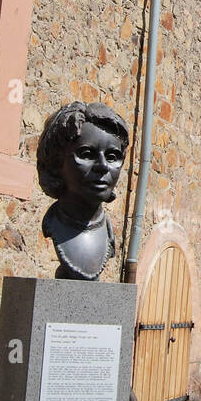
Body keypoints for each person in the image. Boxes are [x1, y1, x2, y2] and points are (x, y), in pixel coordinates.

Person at [36, 102, 129, 280]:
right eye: (86, 154)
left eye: (112, 157)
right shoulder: (53, 224)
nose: (102, 166)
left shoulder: (107, 233)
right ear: (57, 163)